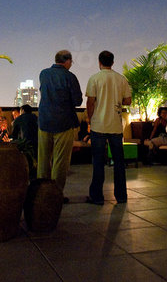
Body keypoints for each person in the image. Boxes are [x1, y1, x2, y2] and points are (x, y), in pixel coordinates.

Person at [85, 50, 132, 205]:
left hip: (98, 125)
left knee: (98, 161)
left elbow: (90, 102)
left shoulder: (94, 79)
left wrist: (89, 119)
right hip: (116, 126)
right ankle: (121, 196)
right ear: (113, 62)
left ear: (99, 62)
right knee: (119, 162)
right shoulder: (121, 79)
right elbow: (128, 101)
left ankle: (97, 197)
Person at [38, 50, 82, 202]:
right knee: (60, 161)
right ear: (67, 61)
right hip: (63, 122)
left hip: (44, 121)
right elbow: (77, 101)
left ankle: (41, 193)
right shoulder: (69, 77)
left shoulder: (43, 74)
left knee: (43, 159)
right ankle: (55, 195)